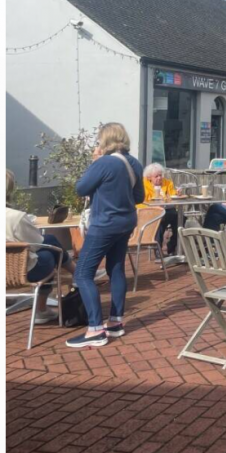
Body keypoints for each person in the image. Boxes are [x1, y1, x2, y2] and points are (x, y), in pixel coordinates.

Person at [68, 123, 144, 348]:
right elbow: (139, 197)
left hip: (105, 224)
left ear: (105, 140)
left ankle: (95, 330)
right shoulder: (134, 163)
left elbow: (81, 188)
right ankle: (115, 322)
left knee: (83, 273)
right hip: (126, 222)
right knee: (116, 268)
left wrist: (94, 163)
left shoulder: (103, 163)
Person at [5, 170, 77, 324]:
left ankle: (76, 272)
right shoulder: (14, 217)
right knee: (48, 251)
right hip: (19, 272)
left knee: (49, 243)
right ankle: (41, 309)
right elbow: (37, 242)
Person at [139, 163, 179, 256]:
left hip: (167, 210)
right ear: (149, 177)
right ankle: (158, 251)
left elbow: (173, 195)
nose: (159, 178)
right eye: (156, 176)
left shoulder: (167, 183)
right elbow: (140, 202)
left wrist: (177, 193)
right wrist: (151, 207)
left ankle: (171, 247)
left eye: (160, 175)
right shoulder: (143, 185)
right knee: (160, 221)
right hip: (150, 212)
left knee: (180, 219)